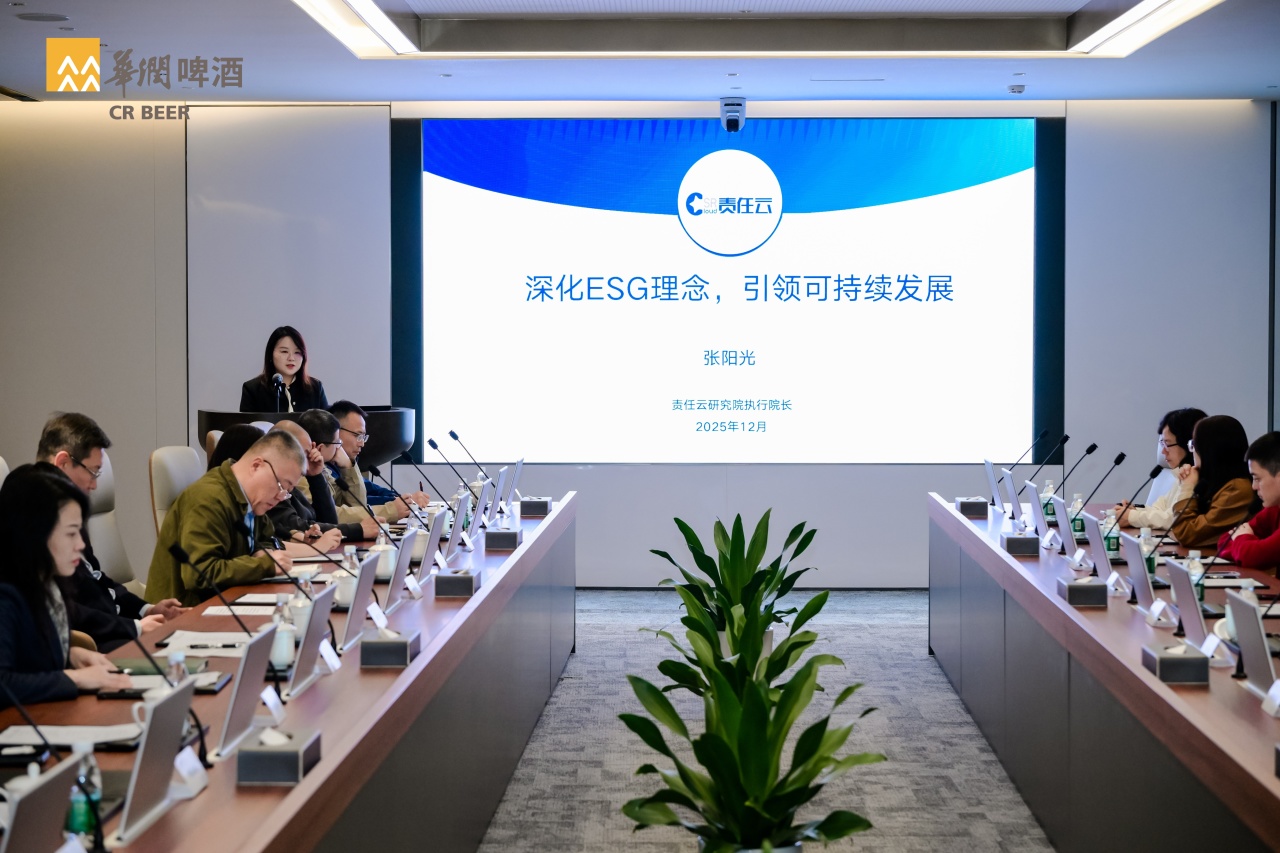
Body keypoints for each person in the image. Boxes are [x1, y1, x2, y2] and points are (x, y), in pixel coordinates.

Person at [34, 412, 185, 651]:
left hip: (115, 629)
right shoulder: (36, 519)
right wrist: (135, 627)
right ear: (63, 462)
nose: (95, 484)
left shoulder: (70, 511)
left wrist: (146, 609)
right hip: (94, 643)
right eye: (93, 472)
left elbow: (97, 578)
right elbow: (68, 610)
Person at [0, 465, 130, 707]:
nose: (80, 545)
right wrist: (75, 678)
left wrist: (70, 655)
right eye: (71, 534)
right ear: (34, 534)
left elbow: (26, 655)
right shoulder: (6, 594)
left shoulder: (45, 582)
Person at [145, 431, 303, 606]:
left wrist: (263, 551)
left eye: (287, 492)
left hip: (226, 600)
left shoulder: (250, 499)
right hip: (184, 612)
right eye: (281, 486)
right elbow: (200, 574)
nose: (281, 497)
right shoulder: (208, 499)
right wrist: (263, 565)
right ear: (256, 465)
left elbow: (267, 538)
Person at [266, 418, 364, 546]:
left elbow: (329, 520)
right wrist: (359, 530)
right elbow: (294, 525)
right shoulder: (271, 486)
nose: (307, 463)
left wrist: (316, 477)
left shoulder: (293, 486)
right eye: (305, 455)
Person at [324, 400, 426, 524]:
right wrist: (393, 507)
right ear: (335, 432)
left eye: (363, 437)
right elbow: (343, 512)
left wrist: (399, 500)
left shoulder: (342, 464)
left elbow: (365, 494)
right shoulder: (319, 468)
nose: (362, 443)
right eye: (357, 435)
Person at [1168, 414, 1254, 550]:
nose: (1192, 451)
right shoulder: (1212, 481)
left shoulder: (1236, 490)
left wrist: (1187, 488)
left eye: (1193, 444)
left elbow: (1186, 533)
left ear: (1208, 450)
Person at [1116, 407, 1207, 529]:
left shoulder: (1198, 480)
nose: (1163, 451)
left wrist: (1132, 517)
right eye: (1162, 444)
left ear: (1188, 443)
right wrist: (1133, 511)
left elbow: (1173, 519)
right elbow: (1160, 509)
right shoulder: (1181, 473)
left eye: (1167, 444)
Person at [1217, 431, 1280, 571]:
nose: (1253, 486)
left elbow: (1255, 556)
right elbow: (1224, 541)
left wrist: (1243, 538)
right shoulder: (1274, 509)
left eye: (1257, 478)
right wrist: (1245, 544)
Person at [240, 325, 329, 413]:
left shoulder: (316, 388)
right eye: (284, 351)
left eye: (297, 352)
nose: (291, 358)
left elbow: (328, 421)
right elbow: (247, 422)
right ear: (270, 354)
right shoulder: (252, 389)